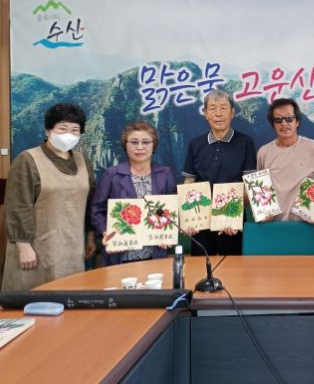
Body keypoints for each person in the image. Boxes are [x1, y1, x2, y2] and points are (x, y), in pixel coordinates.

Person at [2, 103, 95, 291]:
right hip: (36, 247)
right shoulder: (28, 160)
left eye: (75, 130)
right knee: (35, 298)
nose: (68, 134)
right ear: (48, 130)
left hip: (72, 244)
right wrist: (23, 246)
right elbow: (18, 206)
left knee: (69, 294)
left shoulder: (82, 160)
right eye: (62, 128)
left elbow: (89, 200)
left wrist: (91, 235)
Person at [89, 121, 176, 265]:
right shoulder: (112, 174)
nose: (140, 147)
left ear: (154, 145)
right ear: (125, 145)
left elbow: (172, 209)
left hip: (156, 252)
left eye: (146, 142)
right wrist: (105, 232)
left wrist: (167, 233)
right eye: (134, 142)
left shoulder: (165, 173)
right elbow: (96, 210)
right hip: (121, 253)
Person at [182, 90, 256, 255]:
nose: (218, 113)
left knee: (233, 265)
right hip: (201, 218)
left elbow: (249, 183)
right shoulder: (195, 144)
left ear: (232, 113)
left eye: (223, 108)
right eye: (213, 108)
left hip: (232, 218)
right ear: (205, 113)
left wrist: (232, 215)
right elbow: (189, 182)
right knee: (201, 264)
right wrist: (189, 217)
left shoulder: (246, 142)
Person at [257, 98, 314, 221]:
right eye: (278, 119)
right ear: (273, 124)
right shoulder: (263, 153)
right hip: (273, 226)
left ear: (297, 122)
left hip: (307, 225)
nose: (284, 123)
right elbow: (260, 188)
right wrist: (263, 212)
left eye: (289, 118)